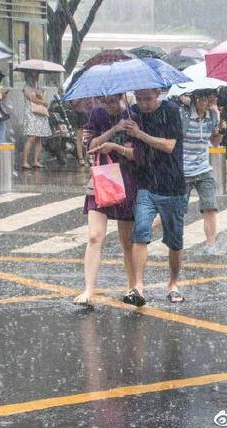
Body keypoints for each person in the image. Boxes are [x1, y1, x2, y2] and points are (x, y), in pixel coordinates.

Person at [72, 94, 140, 306]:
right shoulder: (96, 114)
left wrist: (118, 145)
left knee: (127, 242)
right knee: (94, 236)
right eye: (105, 101)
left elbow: (137, 154)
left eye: (113, 101)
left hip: (127, 181)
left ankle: (132, 287)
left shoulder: (133, 114)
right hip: (102, 180)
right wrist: (113, 130)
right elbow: (90, 146)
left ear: (121, 97)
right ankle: (88, 290)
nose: (109, 105)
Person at [123, 88, 186, 306]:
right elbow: (131, 150)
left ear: (158, 94)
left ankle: (173, 283)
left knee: (175, 242)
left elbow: (169, 145)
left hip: (172, 184)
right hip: (146, 183)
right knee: (140, 232)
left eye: (148, 99)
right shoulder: (132, 113)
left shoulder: (171, 111)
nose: (143, 104)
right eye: (139, 99)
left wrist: (140, 134)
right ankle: (138, 286)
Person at [179, 90, 223, 254]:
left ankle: (211, 245)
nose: (211, 104)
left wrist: (220, 131)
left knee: (210, 207)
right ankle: (174, 242)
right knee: (177, 211)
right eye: (208, 101)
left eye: (213, 100)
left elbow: (215, 142)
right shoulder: (182, 116)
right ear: (198, 99)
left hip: (204, 169)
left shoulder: (212, 116)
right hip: (182, 172)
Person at [22, 70, 51, 169]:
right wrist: (41, 101)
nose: (36, 77)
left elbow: (42, 98)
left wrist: (40, 94)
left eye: (37, 75)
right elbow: (31, 98)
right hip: (31, 114)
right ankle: (25, 161)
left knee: (39, 138)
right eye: (34, 75)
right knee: (31, 137)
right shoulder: (26, 87)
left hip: (40, 114)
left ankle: (36, 160)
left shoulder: (39, 87)